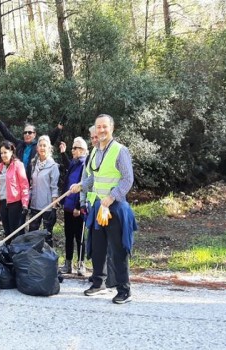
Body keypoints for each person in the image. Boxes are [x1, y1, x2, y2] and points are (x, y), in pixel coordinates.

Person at [70, 114, 137, 304]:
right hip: (99, 207)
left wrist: (111, 196)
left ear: (112, 128)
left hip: (115, 207)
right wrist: (81, 185)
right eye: (98, 127)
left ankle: (124, 289)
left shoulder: (119, 150)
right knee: (98, 248)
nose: (101, 130)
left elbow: (127, 179)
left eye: (104, 127)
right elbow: (93, 178)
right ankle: (98, 282)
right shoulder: (95, 151)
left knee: (118, 250)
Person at [59, 137, 88, 275]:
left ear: (83, 150)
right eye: (73, 148)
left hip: (78, 207)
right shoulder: (75, 163)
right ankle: (68, 263)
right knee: (68, 235)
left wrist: (78, 206)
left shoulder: (84, 165)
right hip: (68, 206)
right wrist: (63, 153)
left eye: (76, 148)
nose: (73, 150)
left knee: (79, 236)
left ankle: (81, 264)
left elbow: (83, 187)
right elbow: (67, 165)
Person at [28, 135, 60, 247]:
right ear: (37, 148)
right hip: (34, 205)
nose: (42, 148)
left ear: (49, 148)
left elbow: (54, 187)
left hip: (47, 207)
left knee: (47, 236)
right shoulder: (34, 164)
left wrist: (54, 207)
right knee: (32, 234)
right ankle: (32, 259)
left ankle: (48, 260)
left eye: (44, 146)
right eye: (40, 145)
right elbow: (32, 184)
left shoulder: (53, 166)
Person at [0, 141, 30, 240]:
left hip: (15, 204)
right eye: (1, 153)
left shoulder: (18, 165)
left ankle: (16, 254)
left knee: (15, 233)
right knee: (7, 233)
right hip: (3, 202)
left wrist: (25, 203)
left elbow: (24, 185)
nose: (3, 155)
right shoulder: (0, 167)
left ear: (11, 152)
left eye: (5, 152)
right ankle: (8, 254)